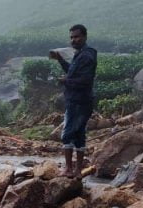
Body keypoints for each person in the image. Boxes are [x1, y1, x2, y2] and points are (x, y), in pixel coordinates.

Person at [49, 24, 97, 178]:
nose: (73, 40)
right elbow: (73, 72)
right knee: (79, 134)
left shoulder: (86, 56)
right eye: (71, 37)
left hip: (78, 101)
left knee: (68, 134)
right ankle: (77, 171)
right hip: (82, 100)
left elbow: (85, 80)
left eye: (76, 37)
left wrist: (65, 81)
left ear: (84, 37)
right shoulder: (82, 54)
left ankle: (69, 169)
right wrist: (61, 61)